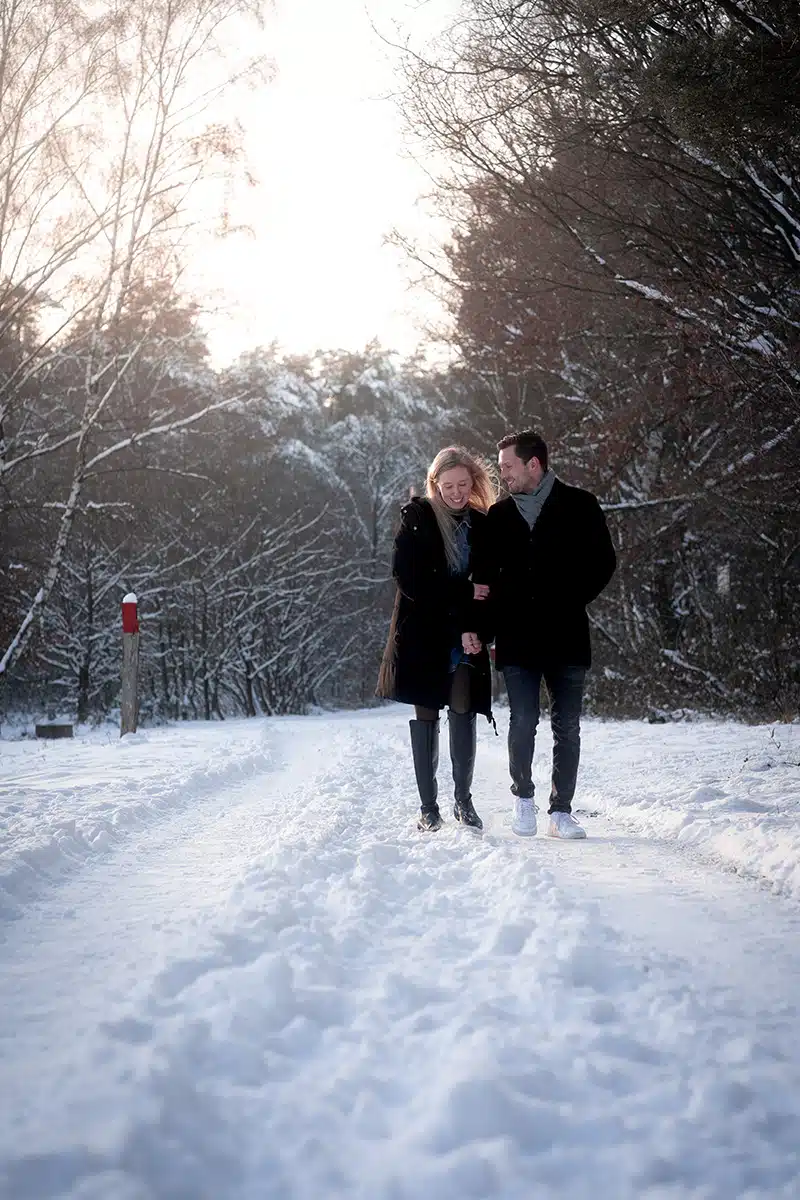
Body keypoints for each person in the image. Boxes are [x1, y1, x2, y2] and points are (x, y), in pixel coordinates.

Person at [483, 429, 616, 839]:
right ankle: (524, 800)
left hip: (566, 636)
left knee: (568, 726)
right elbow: (485, 578)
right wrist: (485, 630)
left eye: (508, 466)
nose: (502, 473)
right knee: (523, 720)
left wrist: (569, 600)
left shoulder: (580, 505)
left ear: (533, 464)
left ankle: (561, 813)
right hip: (516, 640)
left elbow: (603, 562)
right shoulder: (500, 516)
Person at [377, 447, 497, 831]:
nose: (457, 492)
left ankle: (464, 800)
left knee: (463, 707)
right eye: (448, 485)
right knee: (426, 713)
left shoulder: (482, 523)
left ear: (473, 483)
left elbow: (489, 586)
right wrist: (463, 592)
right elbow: (411, 580)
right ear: (434, 484)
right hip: (424, 634)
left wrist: (480, 632)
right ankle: (429, 807)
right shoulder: (417, 518)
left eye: (464, 484)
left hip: (466, 634)